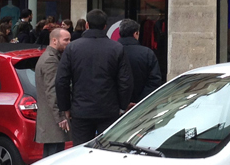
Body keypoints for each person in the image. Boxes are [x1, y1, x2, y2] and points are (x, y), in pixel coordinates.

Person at [55, 10, 132, 146]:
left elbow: (61, 80)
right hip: (108, 109)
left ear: (87, 25)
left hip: (81, 110)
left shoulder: (72, 48)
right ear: (105, 26)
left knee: (81, 150)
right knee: (108, 150)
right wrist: (122, 106)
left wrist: (65, 107)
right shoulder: (116, 48)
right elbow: (125, 81)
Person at [35, 28, 72, 157]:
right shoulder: (50, 60)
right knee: (53, 157)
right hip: (53, 120)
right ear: (54, 40)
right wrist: (60, 117)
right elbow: (52, 90)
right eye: (66, 40)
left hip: (51, 119)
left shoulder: (51, 57)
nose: (69, 43)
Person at [119, 19, 162, 105]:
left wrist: (122, 103)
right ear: (136, 34)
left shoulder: (111, 52)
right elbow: (154, 81)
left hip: (117, 106)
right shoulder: (147, 53)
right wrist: (140, 103)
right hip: (143, 106)